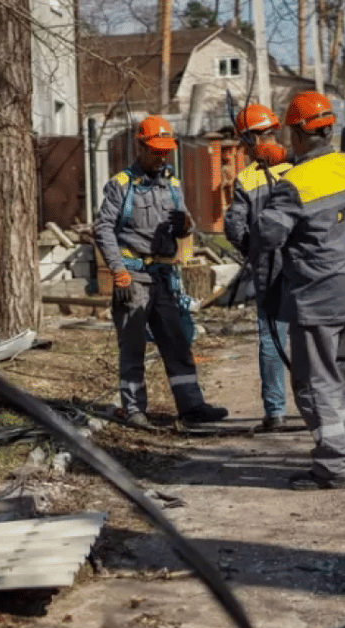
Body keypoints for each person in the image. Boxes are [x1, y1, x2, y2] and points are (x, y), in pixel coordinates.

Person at [255, 92, 345, 491]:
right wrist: (288, 165)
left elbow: (267, 233)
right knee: (339, 373)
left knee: (314, 382)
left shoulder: (292, 185)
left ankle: (333, 467)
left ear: (299, 134)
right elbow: (317, 180)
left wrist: (274, 182)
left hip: (318, 294)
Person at [94, 115, 229, 428]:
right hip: (134, 277)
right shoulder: (121, 186)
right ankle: (134, 411)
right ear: (140, 147)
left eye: (166, 150)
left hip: (165, 277)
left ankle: (192, 407)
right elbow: (103, 229)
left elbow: (185, 225)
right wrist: (118, 271)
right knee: (133, 347)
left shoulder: (173, 182)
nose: (162, 156)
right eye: (156, 150)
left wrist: (186, 227)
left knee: (176, 343)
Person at [224, 103, 294, 433]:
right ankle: (318, 408)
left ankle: (276, 412)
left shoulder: (247, 179)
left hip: (269, 268)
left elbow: (235, 227)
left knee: (272, 340)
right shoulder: (298, 168)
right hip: (305, 265)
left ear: (248, 141)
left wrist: (253, 253)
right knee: (311, 338)